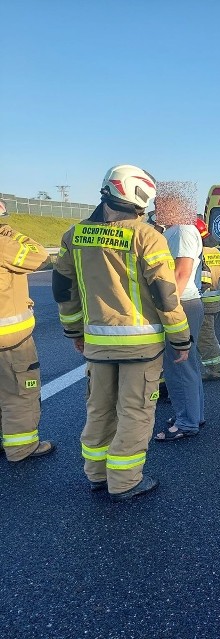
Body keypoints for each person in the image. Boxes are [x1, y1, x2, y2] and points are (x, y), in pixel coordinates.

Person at [53, 165, 191, 501]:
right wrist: (181, 338)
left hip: (97, 345)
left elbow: (63, 290)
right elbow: (165, 295)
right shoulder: (147, 236)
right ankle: (125, 480)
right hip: (140, 347)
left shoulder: (75, 235)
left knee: (99, 408)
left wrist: (74, 332)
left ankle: (97, 475)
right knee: (135, 411)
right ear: (139, 196)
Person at [0, 198, 55, 462]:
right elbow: (39, 256)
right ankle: (21, 447)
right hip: (9, 337)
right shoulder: (3, 244)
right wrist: (12, 233)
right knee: (20, 390)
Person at [155, 205, 205, 440]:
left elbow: (180, 274)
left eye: (160, 204)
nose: (156, 208)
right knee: (187, 364)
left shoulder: (181, 231)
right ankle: (193, 415)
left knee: (178, 365)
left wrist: (169, 311)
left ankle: (186, 423)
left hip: (181, 304)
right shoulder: (181, 230)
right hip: (186, 303)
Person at [196, 217, 220, 380]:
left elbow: (203, 281)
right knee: (210, 333)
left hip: (204, 302)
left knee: (205, 338)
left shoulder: (199, 253)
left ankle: (215, 369)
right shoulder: (217, 252)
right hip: (216, 301)